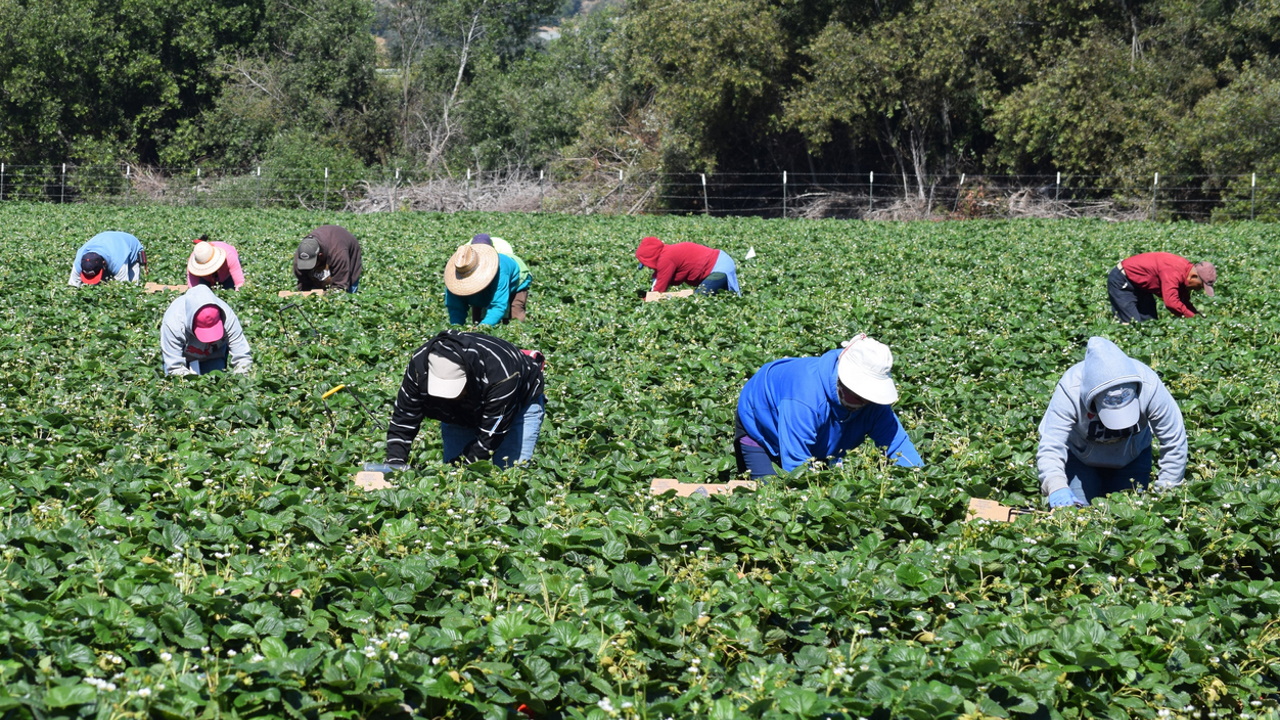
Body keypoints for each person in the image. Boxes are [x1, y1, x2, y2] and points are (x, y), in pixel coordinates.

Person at [734, 334, 923, 480]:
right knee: (770, 494)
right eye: (857, 393)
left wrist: (917, 480)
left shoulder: (873, 404)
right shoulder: (805, 398)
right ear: (841, 379)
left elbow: (899, 446)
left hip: (816, 433)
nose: (863, 400)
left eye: (868, 395)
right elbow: (796, 464)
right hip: (760, 426)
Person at [1037, 336, 1187, 508]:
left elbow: (1174, 440)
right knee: (1076, 516)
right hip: (1079, 458)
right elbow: (1051, 443)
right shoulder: (1071, 390)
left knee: (1130, 516)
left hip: (1133, 456)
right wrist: (1056, 485)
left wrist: (1164, 495)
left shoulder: (1150, 386)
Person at [378, 330, 546, 469]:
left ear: (469, 377)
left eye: (454, 390)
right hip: (461, 411)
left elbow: (490, 438)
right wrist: (395, 462)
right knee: (456, 482)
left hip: (518, 404)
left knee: (510, 470)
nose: (449, 396)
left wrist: (462, 467)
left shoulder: (501, 376)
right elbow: (404, 418)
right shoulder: (419, 369)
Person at [160, 285, 252, 376]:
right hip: (183, 355)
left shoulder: (228, 318)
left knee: (215, 381)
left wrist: (242, 379)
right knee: (179, 385)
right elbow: (174, 367)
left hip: (213, 355)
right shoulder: (173, 323)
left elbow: (242, 356)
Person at [1108, 252, 1216, 323]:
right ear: (1193, 277)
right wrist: (1193, 318)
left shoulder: (1186, 272)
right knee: (1131, 323)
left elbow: (1183, 301)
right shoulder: (1174, 271)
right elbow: (1172, 303)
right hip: (1123, 279)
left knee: (1149, 322)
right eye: (1201, 285)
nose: (1199, 289)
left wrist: (1197, 316)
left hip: (1141, 287)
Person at [444, 243, 524, 326]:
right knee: (478, 318)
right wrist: (456, 329)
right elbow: (455, 308)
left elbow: (498, 306)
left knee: (515, 314)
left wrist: (483, 328)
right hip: (486, 289)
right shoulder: (454, 277)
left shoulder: (500, 272)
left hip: (516, 280)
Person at [636, 236, 741, 296]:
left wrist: (646, 300)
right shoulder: (667, 253)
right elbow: (662, 278)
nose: (648, 267)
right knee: (717, 296)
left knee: (699, 299)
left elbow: (659, 288)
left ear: (652, 258)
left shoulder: (666, 258)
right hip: (721, 261)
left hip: (719, 267)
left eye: (647, 264)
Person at [471, 234, 532, 320]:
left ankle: (517, 330)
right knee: (478, 302)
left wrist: (486, 325)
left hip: (519, 280)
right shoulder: (469, 264)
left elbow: (499, 304)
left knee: (516, 308)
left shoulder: (500, 267)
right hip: (501, 275)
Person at [293, 225, 363, 293]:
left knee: (346, 292)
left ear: (320, 255)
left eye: (311, 263)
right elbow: (303, 283)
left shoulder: (338, 253)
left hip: (344, 251)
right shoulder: (302, 253)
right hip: (329, 249)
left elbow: (340, 287)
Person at [68, 231, 147, 287]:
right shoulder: (78, 262)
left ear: (104, 263)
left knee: (132, 286)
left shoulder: (118, 263)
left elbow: (123, 288)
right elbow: (73, 286)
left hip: (130, 245)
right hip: (105, 240)